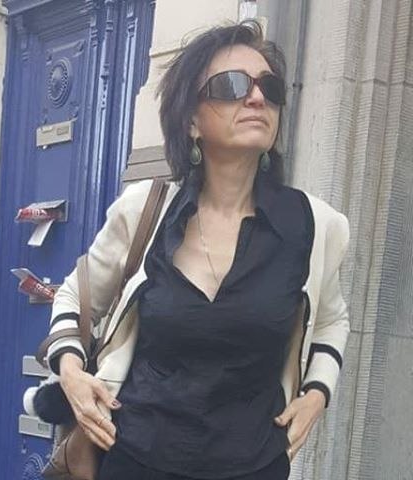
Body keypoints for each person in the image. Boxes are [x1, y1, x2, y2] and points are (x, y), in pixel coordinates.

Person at [45, 21, 350, 480]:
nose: (256, 98)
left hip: (254, 466)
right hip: (134, 458)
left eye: (269, 87)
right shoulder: (146, 211)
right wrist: (71, 372)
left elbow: (331, 318)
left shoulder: (315, 226)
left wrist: (317, 393)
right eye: (232, 86)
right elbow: (75, 294)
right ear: (191, 121)